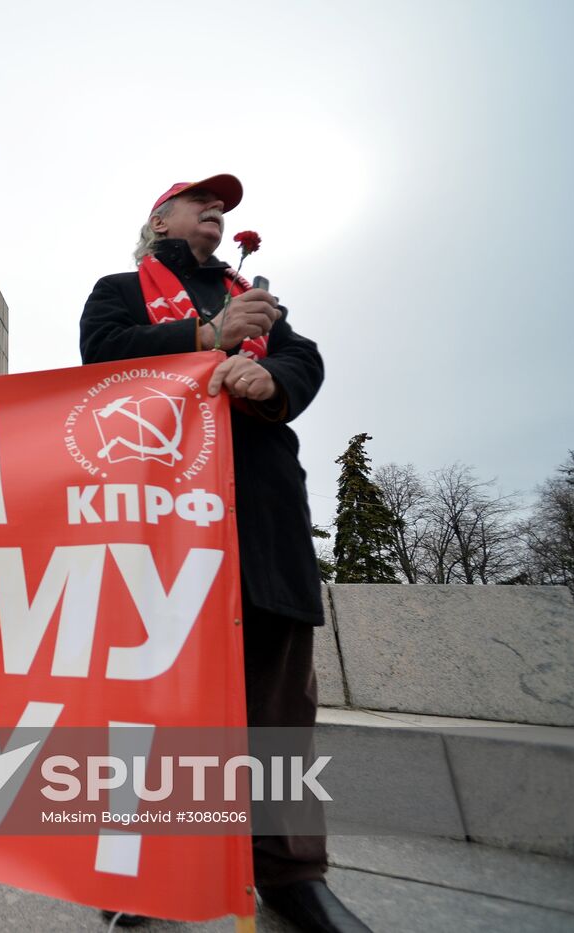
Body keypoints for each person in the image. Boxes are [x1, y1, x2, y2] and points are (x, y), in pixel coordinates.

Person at [80, 176, 370, 933]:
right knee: (156, 695)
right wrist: (208, 339)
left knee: (277, 706)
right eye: (199, 198)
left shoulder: (264, 306)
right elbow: (102, 358)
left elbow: (305, 363)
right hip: (165, 518)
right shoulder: (120, 290)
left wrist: (265, 372)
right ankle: (144, 868)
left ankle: (290, 873)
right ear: (159, 219)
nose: (216, 208)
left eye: (224, 203)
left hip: (263, 514)